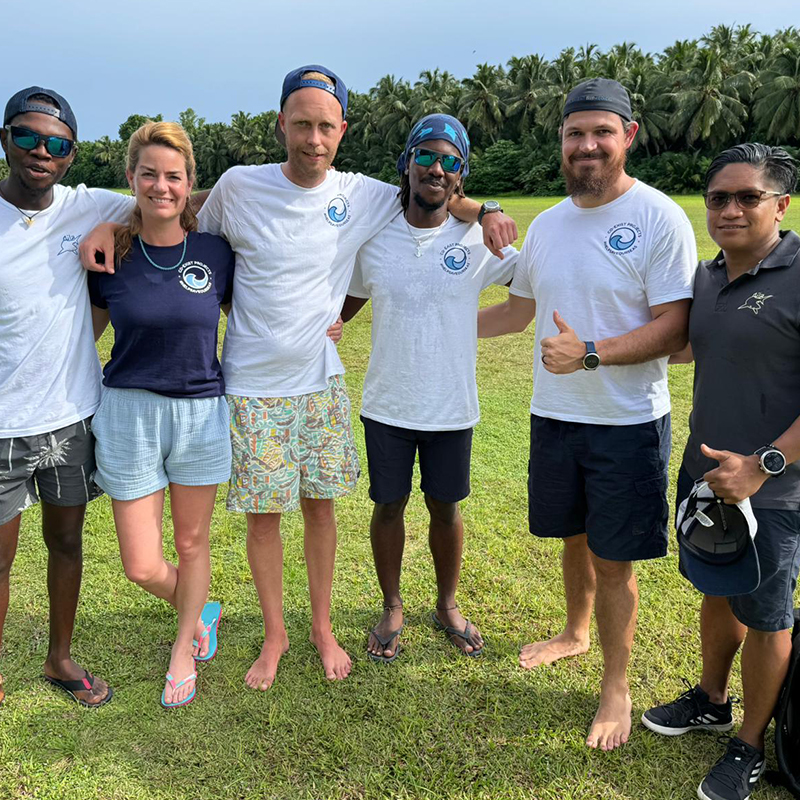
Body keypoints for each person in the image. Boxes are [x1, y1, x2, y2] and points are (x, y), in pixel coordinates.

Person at [80, 65, 517, 689]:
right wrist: (114, 223)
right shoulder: (240, 185)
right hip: (252, 387)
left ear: (342, 130)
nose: (314, 138)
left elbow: (435, 188)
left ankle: (321, 628)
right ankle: (275, 635)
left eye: (326, 126)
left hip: (320, 385)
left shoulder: (364, 194)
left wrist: (488, 207)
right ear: (282, 123)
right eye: (303, 124)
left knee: (320, 511)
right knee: (263, 521)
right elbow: (176, 210)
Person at [477, 78, 696, 750]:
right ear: (562, 141)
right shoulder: (547, 225)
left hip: (627, 423)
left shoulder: (658, 217)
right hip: (555, 416)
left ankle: (616, 685)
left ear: (628, 136)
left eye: (602, 132)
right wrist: (433, 324)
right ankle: (574, 633)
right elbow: (518, 312)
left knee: (614, 560)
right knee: (573, 536)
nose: (588, 145)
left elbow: (676, 327)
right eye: (576, 133)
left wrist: (592, 353)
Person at [642, 144, 800, 800]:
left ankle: (750, 745)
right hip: (707, 479)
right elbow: (686, 346)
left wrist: (764, 466)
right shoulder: (706, 278)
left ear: (780, 205)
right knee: (717, 588)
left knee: (766, 615)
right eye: (718, 198)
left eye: (748, 197)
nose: (731, 209)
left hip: (775, 490)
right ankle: (711, 699)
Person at [341, 114, 518, 662]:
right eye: (426, 156)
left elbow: (532, 282)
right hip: (387, 404)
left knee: (446, 508)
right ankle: (392, 605)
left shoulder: (477, 240)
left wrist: (488, 212)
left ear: (460, 175)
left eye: (449, 161)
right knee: (388, 505)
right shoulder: (375, 238)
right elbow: (344, 306)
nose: (436, 169)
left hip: (451, 406)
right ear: (407, 164)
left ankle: (446, 605)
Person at [87, 121, 236, 708]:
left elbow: (261, 310)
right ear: (131, 178)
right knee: (141, 564)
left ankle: (183, 648)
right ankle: (202, 609)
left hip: (200, 412)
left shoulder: (216, 253)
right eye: (148, 174)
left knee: (192, 543)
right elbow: (85, 336)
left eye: (173, 176)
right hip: (128, 413)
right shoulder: (110, 254)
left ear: (189, 182)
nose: (161, 186)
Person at [0, 87, 135, 707]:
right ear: (6, 139)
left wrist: (109, 224)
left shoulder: (87, 205)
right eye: (28, 137)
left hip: (70, 417)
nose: (41, 152)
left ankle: (59, 658)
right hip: (3, 425)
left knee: (68, 543)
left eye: (56, 144)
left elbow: (172, 200)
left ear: (72, 154)